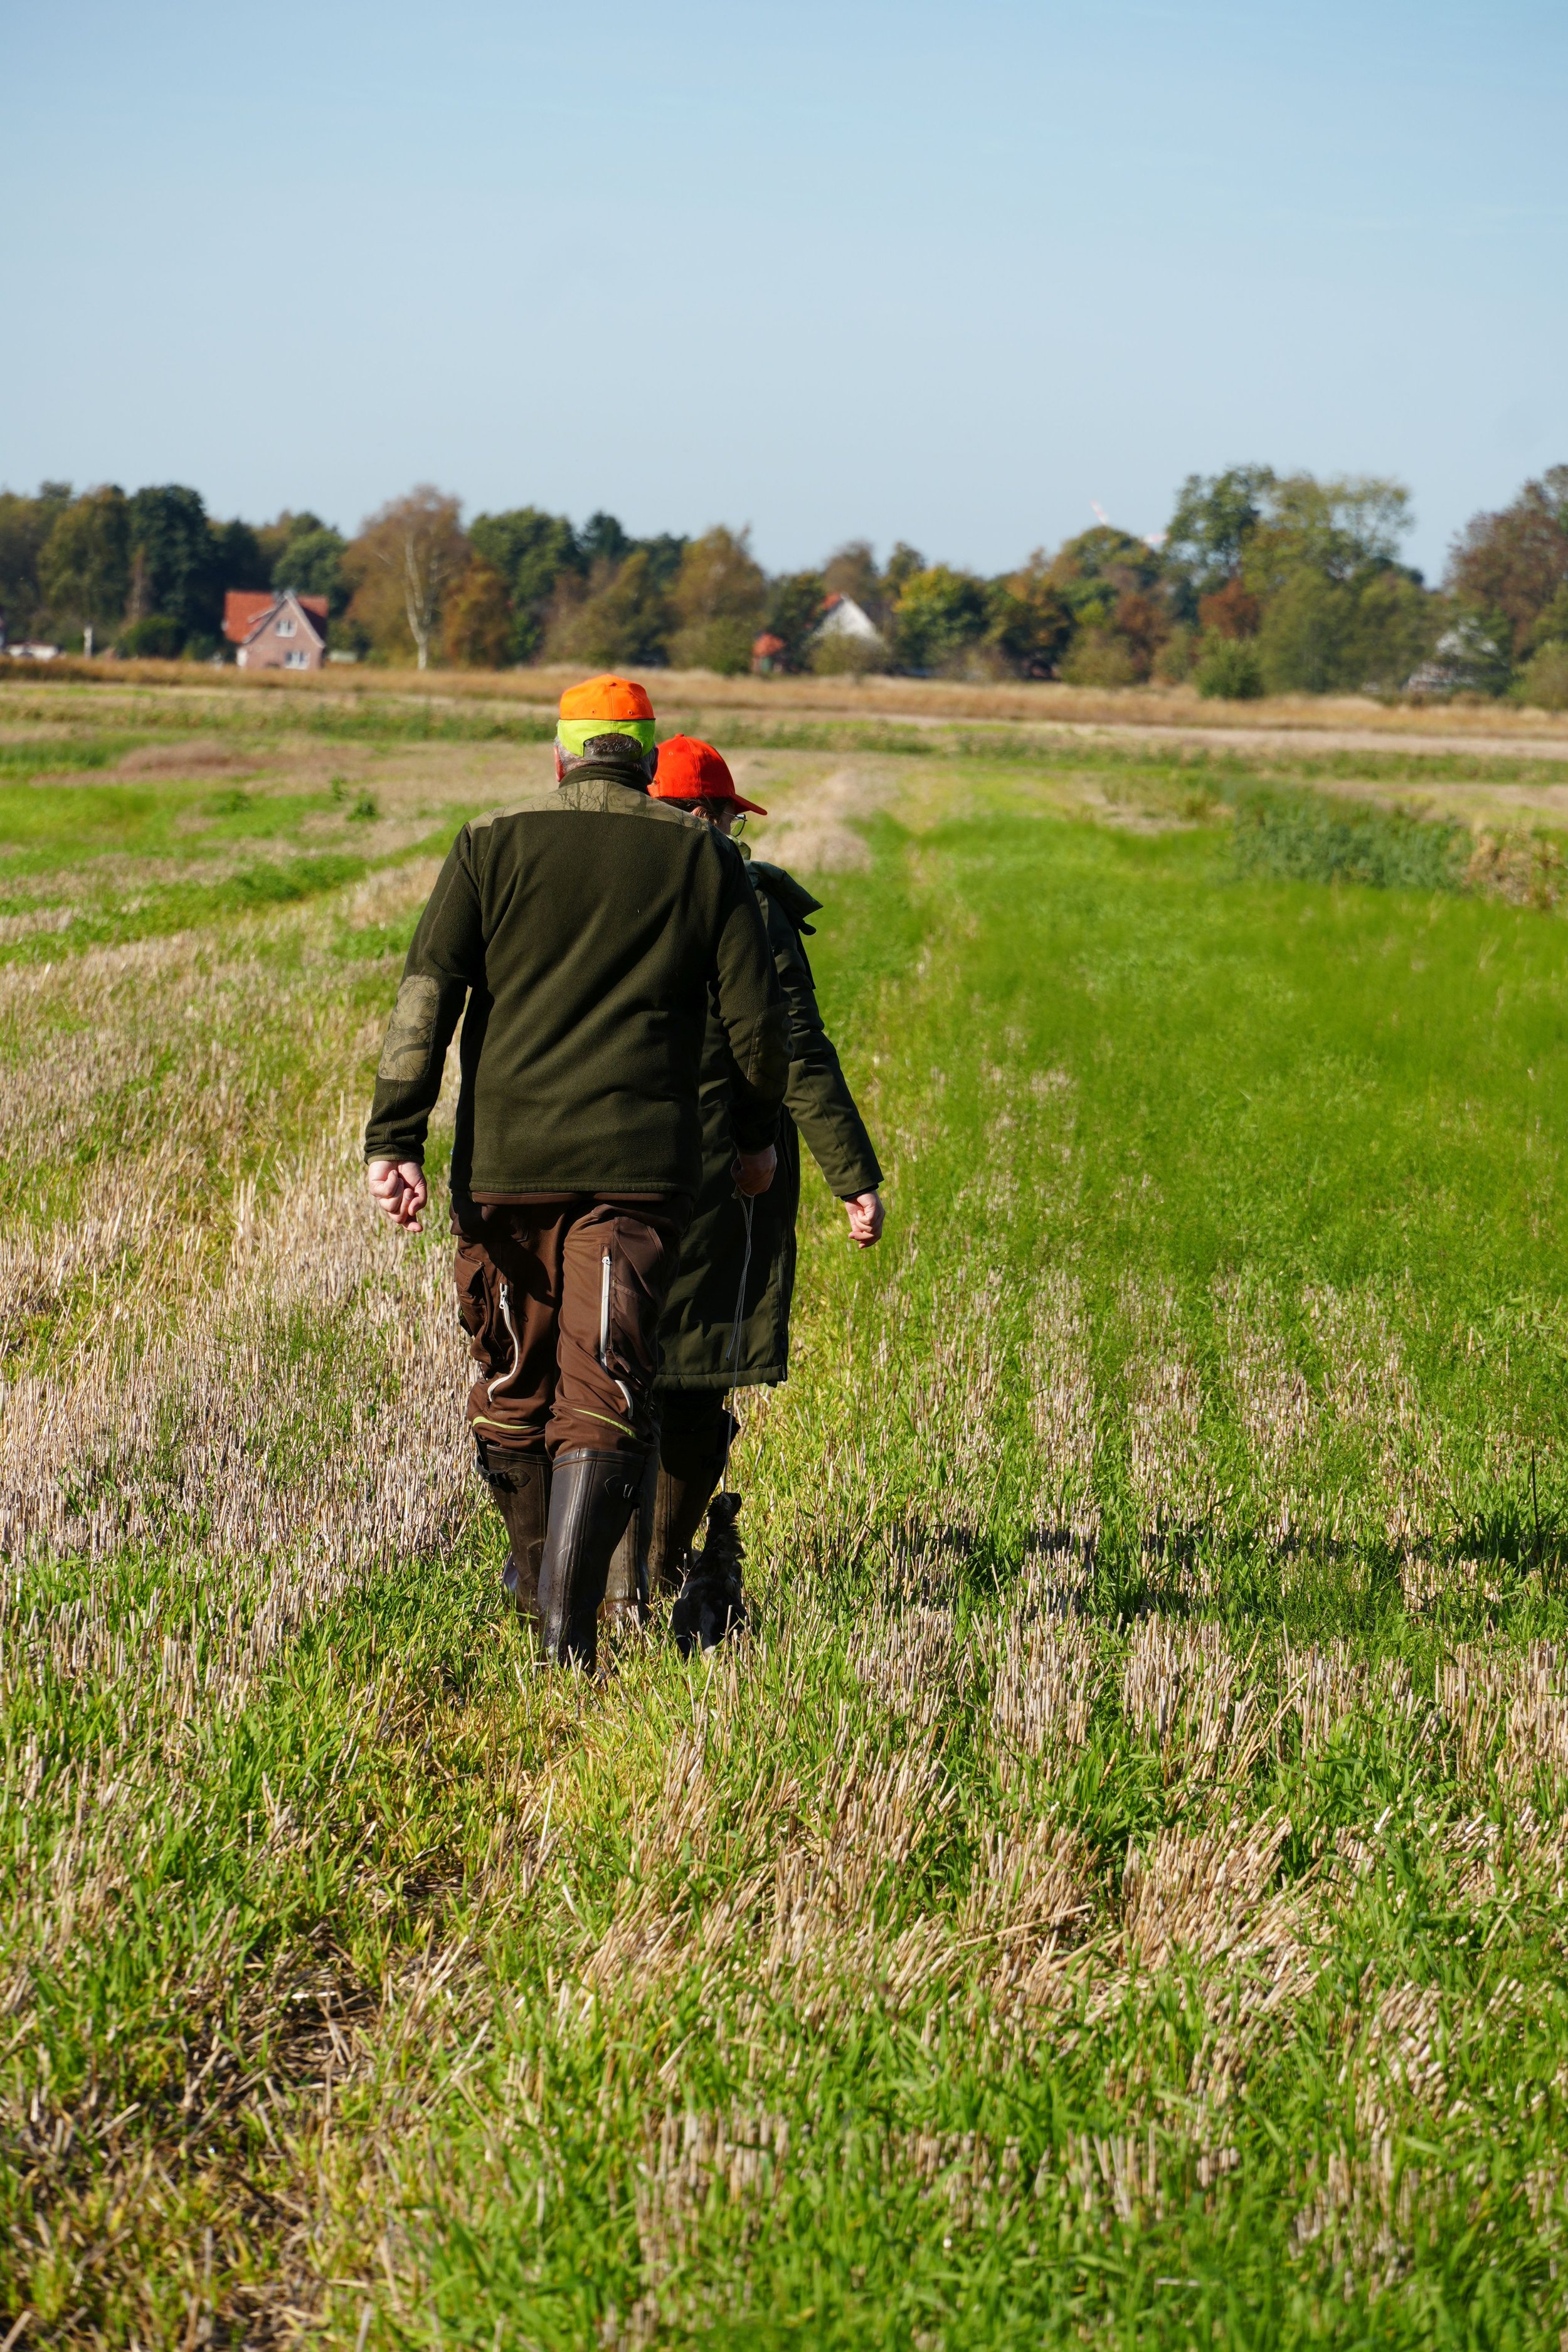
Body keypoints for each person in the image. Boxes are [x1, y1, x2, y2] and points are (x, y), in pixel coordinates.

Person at [363, 680, 789, 1671]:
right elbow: (758, 1028)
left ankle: (539, 1594)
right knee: (607, 1381)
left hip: (505, 1166)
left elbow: (425, 998)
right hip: (639, 1172)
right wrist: (755, 1137)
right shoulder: (706, 859)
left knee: (516, 1376)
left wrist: (394, 1138)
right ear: (645, 759)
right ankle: (567, 1632)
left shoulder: (488, 843)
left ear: (560, 756)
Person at [602, 734, 884, 1640]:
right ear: (708, 816)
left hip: (597, 1166)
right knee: (689, 1381)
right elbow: (793, 1047)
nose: (729, 829)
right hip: (720, 1174)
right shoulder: (748, 905)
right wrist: (853, 1177)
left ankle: (597, 1586)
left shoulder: (597, 889)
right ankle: (651, 1578)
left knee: (604, 1375)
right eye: (724, 814)